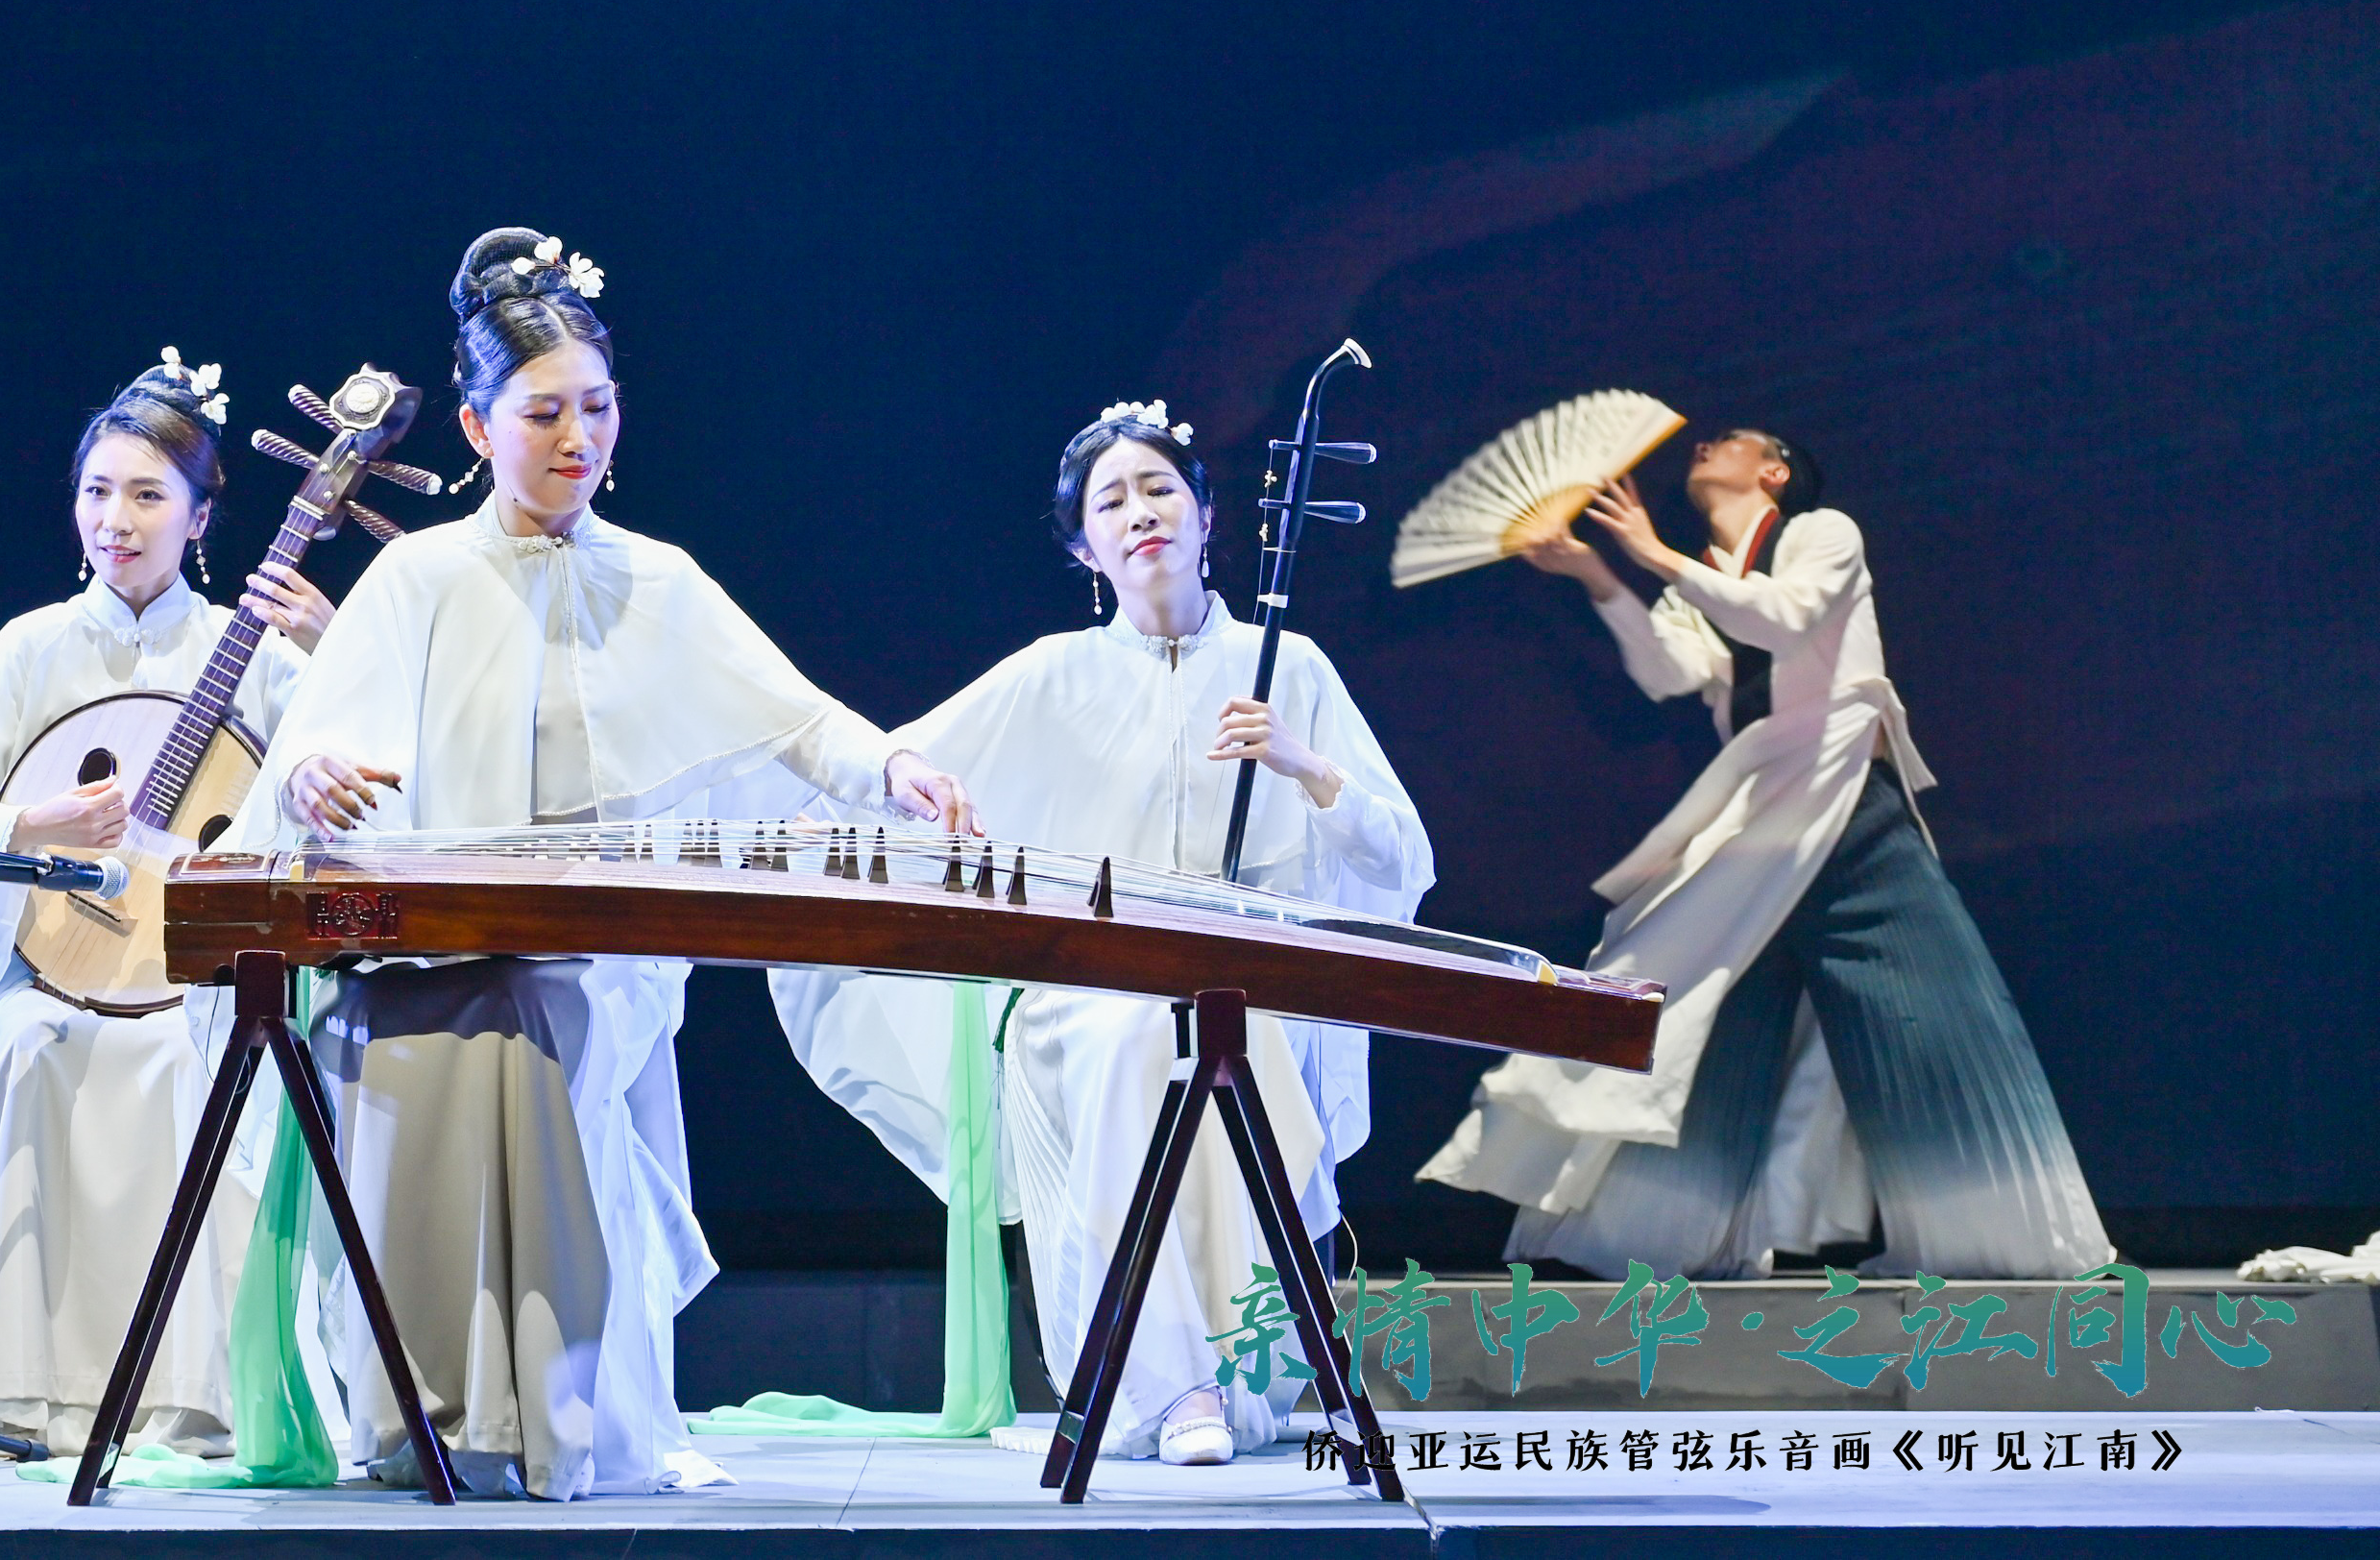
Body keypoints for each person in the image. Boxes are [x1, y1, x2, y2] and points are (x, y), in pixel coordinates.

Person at [230, 229, 978, 1500]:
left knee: (543, 1003)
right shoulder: (417, 575)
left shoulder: (657, 580)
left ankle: (556, 1416)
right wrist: (311, 775)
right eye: (542, 414)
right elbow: (323, 739)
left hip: (588, 957)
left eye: (597, 406)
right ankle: (434, 1414)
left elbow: (793, 720)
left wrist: (893, 766)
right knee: (450, 1015)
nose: (577, 437)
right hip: (418, 950)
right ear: (477, 427)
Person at [775, 402, 1432, 1466]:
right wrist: (829, 828)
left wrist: (1305, 766)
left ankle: (1225, 1373)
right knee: (1133, 1032)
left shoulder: (1288, 666)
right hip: (1082, 993)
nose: (1140, 513)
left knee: (1213, 1031)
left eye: (1160, 488)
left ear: (1207, 515)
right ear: (1085, 548)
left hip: (1240, 984)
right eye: (1111, 501)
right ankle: (1175, 1386)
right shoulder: (1050, 674)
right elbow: (904, 780)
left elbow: (1402, 860)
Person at [1421, 429, 2111, 1280]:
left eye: (1732, 442)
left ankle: (1996, 1238)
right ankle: (1664, 1239)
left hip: (1843, 799)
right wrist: (1597, 573)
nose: (1708, 445)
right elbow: (1669, 671)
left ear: (1775, 471)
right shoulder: (1704, 576)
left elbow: (1784, 617)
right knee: (1704, 1021)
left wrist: (1653, 554)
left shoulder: (1822, 533)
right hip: (1761, 814)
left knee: (1928, 1010)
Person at [0, 354, 334, 1458]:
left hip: (196, 986)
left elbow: (345, 783)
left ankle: (195, 1397)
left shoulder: (256, 653)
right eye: (96, 491)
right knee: (19, 1047)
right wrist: (27, 823)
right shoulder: (30, 647)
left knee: (195, 1062)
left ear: (199, 515)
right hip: (51, 974)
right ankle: (18, 1394)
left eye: (145, 495)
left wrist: (331, 651)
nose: (115, 520)